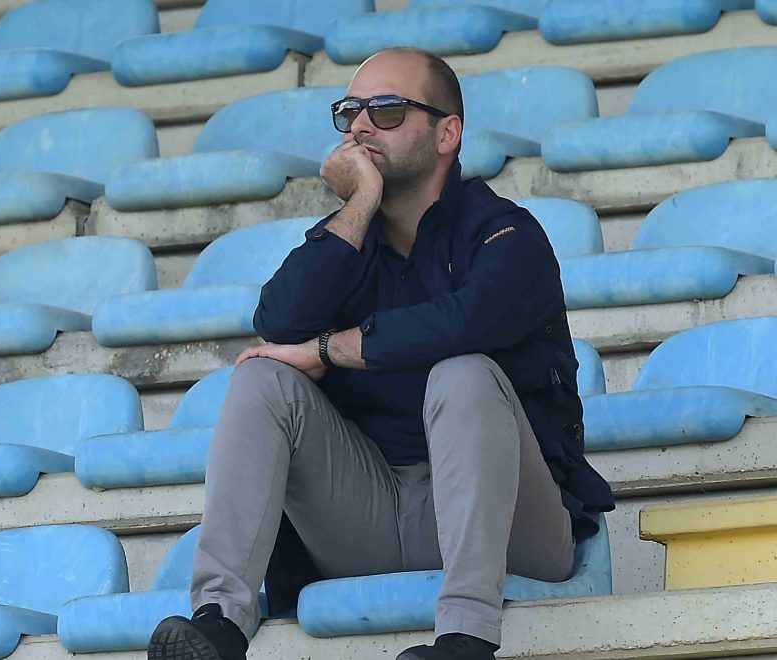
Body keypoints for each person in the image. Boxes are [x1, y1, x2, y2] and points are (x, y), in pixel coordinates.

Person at [146, 48, 615, 660]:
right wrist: (359, 204)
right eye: (350, 112)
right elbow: (277, 323)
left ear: (447, 133)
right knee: (263, 378)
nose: (362, 125)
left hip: (507, 525)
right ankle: (221, 623)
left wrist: (332, 349)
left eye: (388, 110)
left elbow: (464, 322)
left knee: (464, 373)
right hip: (369, 514)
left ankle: (467, 637)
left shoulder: (508, 234)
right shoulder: (349, 238)